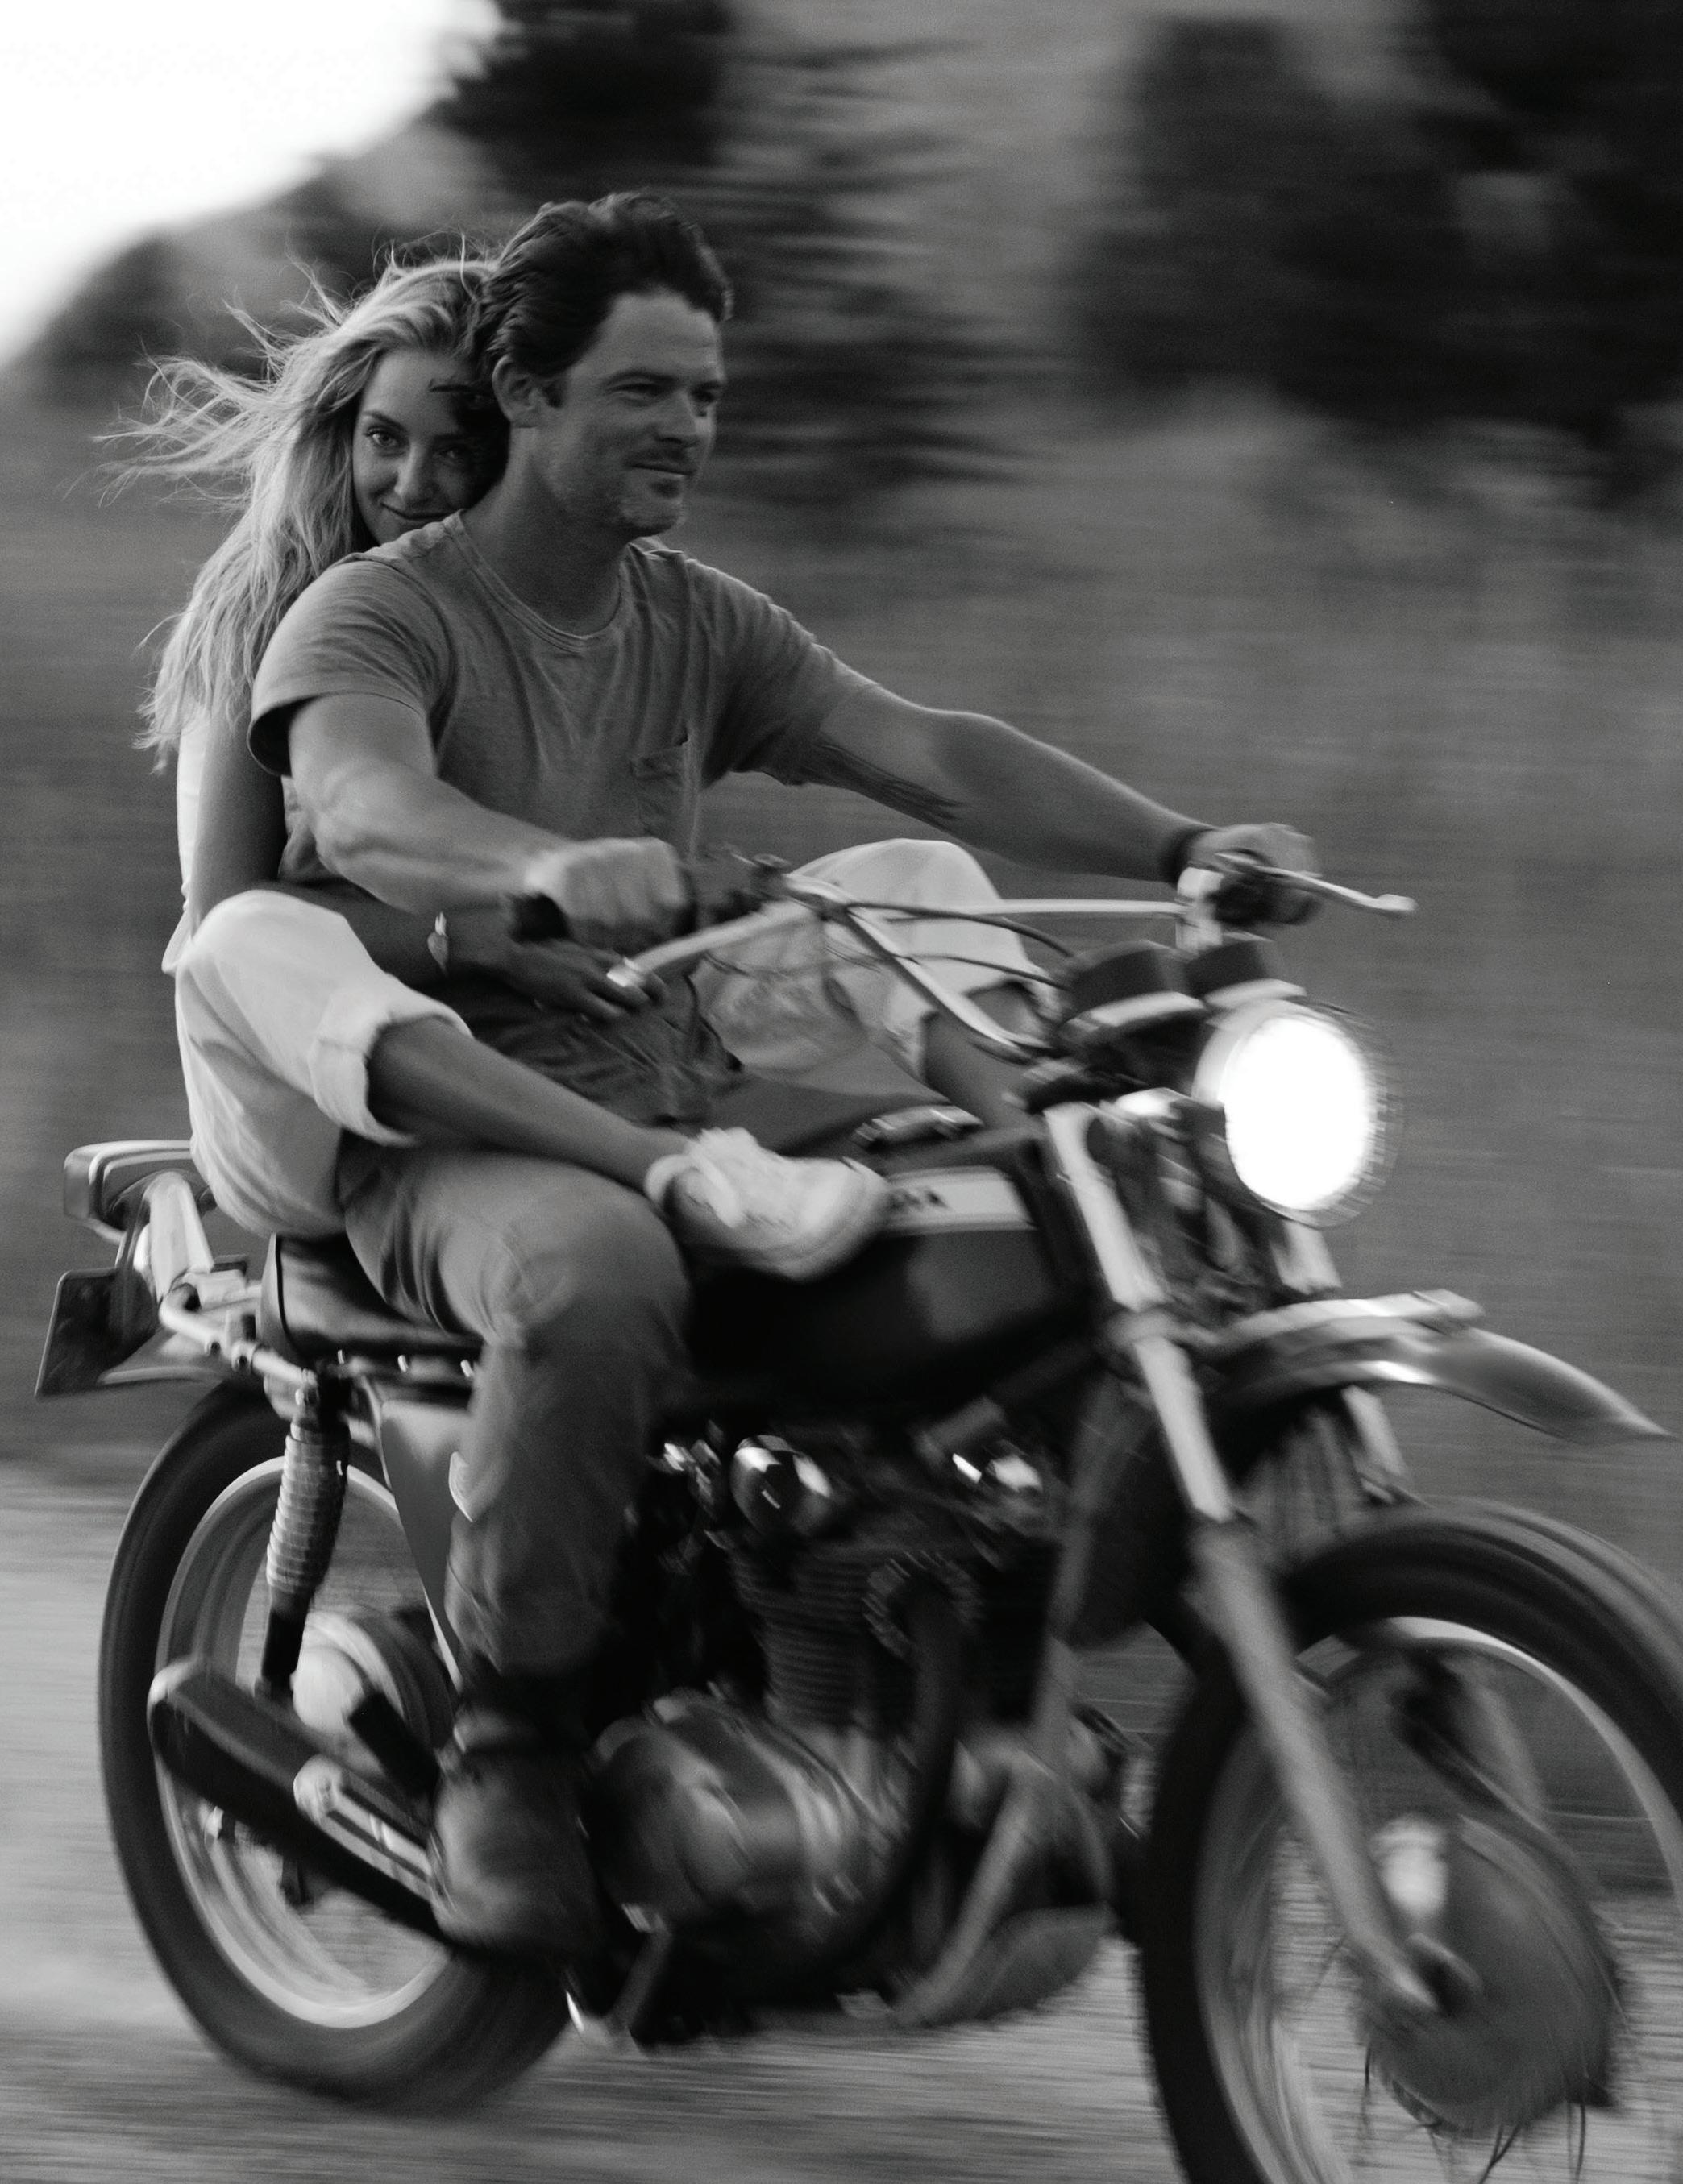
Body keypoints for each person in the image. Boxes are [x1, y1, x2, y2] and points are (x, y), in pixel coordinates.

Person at [244, 189, 1313, 1960]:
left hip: (665, 1074)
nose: (686, 426)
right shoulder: (377, 615)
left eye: (707, 394)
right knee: (602, 1272)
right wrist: (542, 864)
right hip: (438, 1106)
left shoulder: (694, 619)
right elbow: (362, 808)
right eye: (644, 390)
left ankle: (929, 1655)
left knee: (1007, 1203)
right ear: (525, 391)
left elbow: (930, 753)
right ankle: (509, 1753)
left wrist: (1185, 847)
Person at [139, 256, 1015, 1268]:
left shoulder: (573, 599)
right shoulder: (268, 615)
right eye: (384, 438)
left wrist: (698, 893)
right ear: (344, 433)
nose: (412, 484)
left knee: (910, 879)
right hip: (315, 1080)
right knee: (245, 937)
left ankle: (1051, 1138)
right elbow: (223, 918)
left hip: (559, 1006)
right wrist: (468, 942)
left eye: (456, 449)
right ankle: (672, 1170)